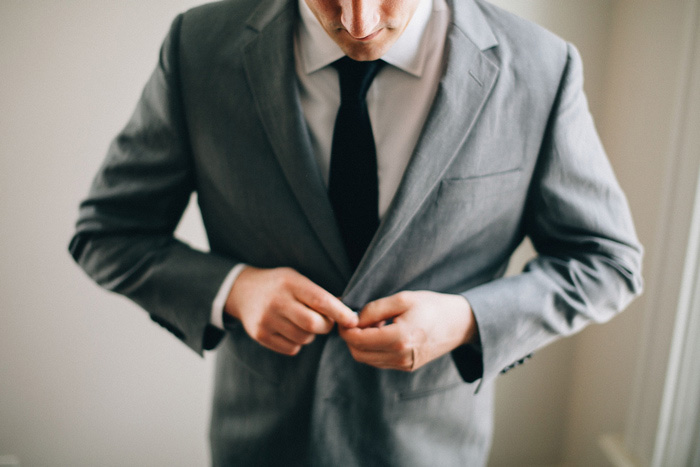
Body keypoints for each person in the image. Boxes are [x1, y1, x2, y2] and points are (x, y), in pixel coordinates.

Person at [69, 0, 643, 465]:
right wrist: (236, 290)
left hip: (431, 448)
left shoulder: (542, 67)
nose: (358, 22)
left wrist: (466, 320)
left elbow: (606, 262)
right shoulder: (197, 46)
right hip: (261, 444)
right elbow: (108, 233)